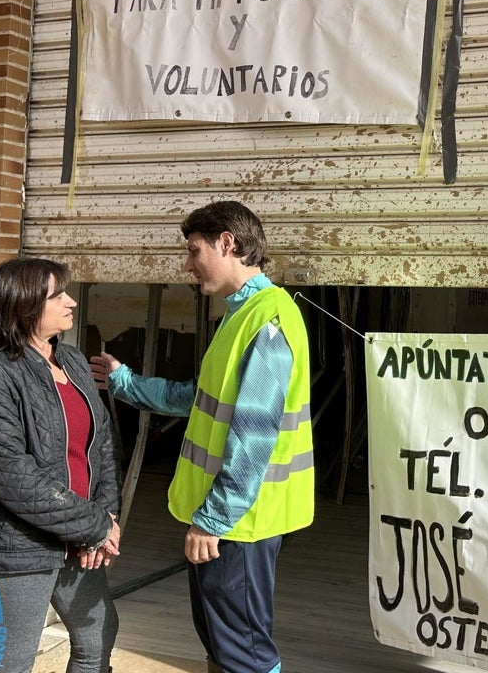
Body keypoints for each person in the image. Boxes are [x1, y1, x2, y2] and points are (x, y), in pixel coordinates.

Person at [89, 200, 313, 673]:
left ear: (227, 243)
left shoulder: (266, 320)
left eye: (194, 251)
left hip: (240, 525)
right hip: (230, 522)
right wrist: (126, 381)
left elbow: (254, 436)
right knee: (220, 643)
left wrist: (213, 520)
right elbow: (202, 399)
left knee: (244, 652)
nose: (188, 265)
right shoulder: (239, 315)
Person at [0, 258, 122, 673]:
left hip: (77, 538)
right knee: (13, 660)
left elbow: (100, 447)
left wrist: (106, 516)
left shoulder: (75, 362)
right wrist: (95, 525)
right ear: (24, 304)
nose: (72, 302)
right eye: (58, 295)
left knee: (97, 634)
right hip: (14, 546)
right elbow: (13, 477)